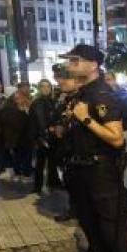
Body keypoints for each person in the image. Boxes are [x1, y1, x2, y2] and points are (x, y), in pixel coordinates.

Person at [62, 44, 127, 252]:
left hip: (102, 172)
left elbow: (116, 139)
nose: (70, 65)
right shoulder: (82, 93)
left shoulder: (103, 94)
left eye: (75, 60)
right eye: (70, 60)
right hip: (83, 170)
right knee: (91, 224)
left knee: (111, 227)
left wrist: (86, 120)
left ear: (93, 65)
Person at [49, 70, 79, 219]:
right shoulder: (66, 98)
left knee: (77, 184)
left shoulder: (83, 98)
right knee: (70, 182)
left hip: (78, 149)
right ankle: (73, 210)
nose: (60, 82)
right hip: (67, 148)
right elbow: (58, 117)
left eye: (65, 79)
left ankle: (79, 213)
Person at [105, 71, 127, 187]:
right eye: (105, 80)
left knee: (121, 157)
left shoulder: (123, 94)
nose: (107, 82)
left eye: (109, 79)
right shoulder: (103, 95)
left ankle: (124, 185)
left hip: (123, 130)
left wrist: (119, 116)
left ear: (115, 80)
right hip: (108, 131)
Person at [0, 84, 35, 184]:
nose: (18, 95)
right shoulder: (11, 108)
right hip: (21, 136)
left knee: (18, 156)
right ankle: (25, 175)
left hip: (15, 137)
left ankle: (18, 173)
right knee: (25, 156)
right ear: (12, 95)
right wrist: (25, 114)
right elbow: (19, 123)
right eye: (16, 93)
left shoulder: (6, 106)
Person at [31, 79, 59, 195]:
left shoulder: (51, 101)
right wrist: (45, 134)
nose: (46, 88)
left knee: (50, 161)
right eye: (43, 86)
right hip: (43, 137)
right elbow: (40, 120)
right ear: (39, 88)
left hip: (50, 136)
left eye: (48, 86)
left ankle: (50, 183)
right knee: (41, 162)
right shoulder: (38, 102)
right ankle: (39, 186)